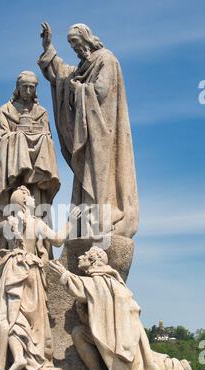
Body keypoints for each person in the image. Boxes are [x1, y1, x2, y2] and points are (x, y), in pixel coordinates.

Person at [50, 246, 201, 370]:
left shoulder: (103, 280)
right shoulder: (105, 280)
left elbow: (85, 289)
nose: (80, 257)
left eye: (85, 255)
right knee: (79, 333)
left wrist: (65, 275)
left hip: (122, 340)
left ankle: (178, 367)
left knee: (145, 366)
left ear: (93, 261)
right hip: (113, 336)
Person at [39, 23, 138, 238]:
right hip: (88, 133)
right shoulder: (84, 65)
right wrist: (49, 48)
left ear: (86, 38)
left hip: (102, 131)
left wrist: (80, 90)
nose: (73, 47)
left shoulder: (106, 59)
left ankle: (100, 219)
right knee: (84, 176)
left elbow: (102, 92)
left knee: (100, 176)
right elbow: (62, 75)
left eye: (74, 42)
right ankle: (84, 222)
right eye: (70, 43)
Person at [0, 186, 81, 370]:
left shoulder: (8, 222)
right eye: (29, 196)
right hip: (32, 272)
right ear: (23, 201)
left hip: (14, 269)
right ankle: (28, 359)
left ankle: (17, 357)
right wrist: (70, 222)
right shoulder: (36, 223)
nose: (34, 199)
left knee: (10, 317)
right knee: (31, 319)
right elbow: (59, 240)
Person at [0, 70, 60, 255]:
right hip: (12, 177)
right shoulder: (5, 110)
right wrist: (20, 137)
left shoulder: (41, 112)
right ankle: (8, 250)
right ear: (18, 88)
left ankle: (40, 251)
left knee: (44, 139)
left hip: (37, 178)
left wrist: (36, 138)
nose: (28, 90)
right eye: (25, 87)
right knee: (19, 136)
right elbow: (1, 138)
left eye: (32, 87)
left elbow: (49, 137)